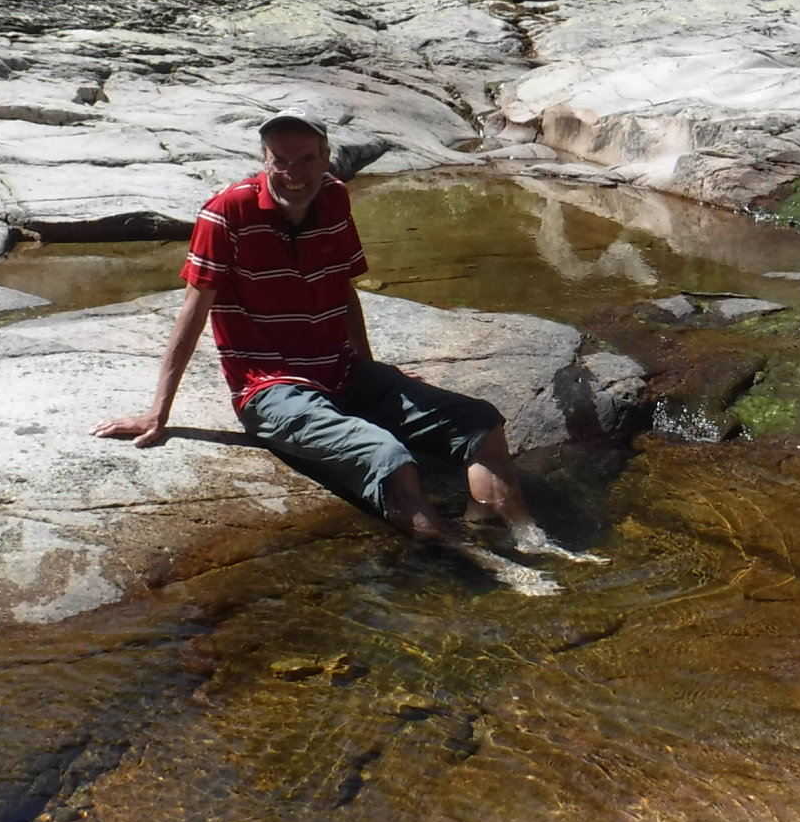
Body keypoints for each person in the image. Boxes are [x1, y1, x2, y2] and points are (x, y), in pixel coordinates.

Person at [95, 109, 595, 592]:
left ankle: (529, 537)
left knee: (480, 422)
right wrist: (158, 412)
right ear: (264, 160)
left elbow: (342, 288)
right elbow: (192, 311)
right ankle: (490, 565)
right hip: (271, 389)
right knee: (388, 454)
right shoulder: (225, 214)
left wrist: (370, 369)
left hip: (342, 372)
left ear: (326, 158)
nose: (294, 174)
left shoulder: (334, 197)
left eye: (306, 159)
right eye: (280, 160)